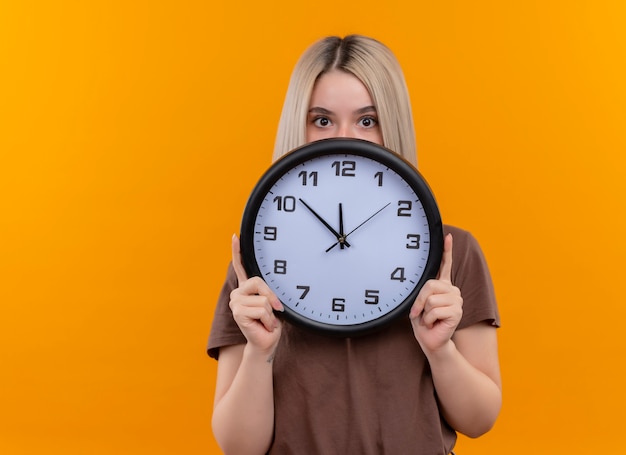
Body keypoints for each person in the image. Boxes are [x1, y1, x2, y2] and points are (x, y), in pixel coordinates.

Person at [208, 35, 502, 455]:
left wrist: (441, 351)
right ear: (299, 125)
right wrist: (259, 351)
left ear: (392, 125)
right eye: (322, 120)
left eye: (367, 120)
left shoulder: (454, 252)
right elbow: (239, 447)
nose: (343, 137)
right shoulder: (260, 258)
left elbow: (479, 420)